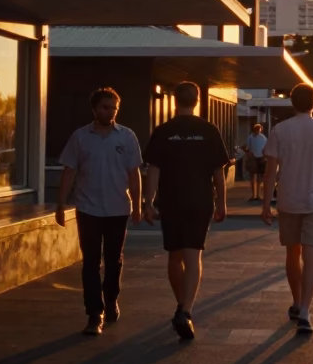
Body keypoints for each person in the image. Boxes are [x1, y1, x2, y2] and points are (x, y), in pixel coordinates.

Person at [142, 82, 231, 340]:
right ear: (197, 101)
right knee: (194, 256)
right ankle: (187, 309)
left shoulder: (163, 131)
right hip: (199, 201)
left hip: (171, 201)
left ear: (174, 100)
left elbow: (154, 169)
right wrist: (222, 202)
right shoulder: (209, 130)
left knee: (174, 256)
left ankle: (181, 304)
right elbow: (218, 172)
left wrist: (148, 202)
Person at [55, 87, 143, 336]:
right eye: (105, 107)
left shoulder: (126, 137)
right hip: (88, 208)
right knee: (91, 262)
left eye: (114, 108)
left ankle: (111, 298)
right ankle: (95, 313)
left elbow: (134, 173)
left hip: (117, 209)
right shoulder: (80, 137)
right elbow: (69, 171)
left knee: (114, 260)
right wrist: (61, 204)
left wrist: (138, 205)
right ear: (94, 109)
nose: (110, 112)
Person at [261, 83, 313, 334]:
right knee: (311, 257)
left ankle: (296, 301)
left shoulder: (280, 130)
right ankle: (306, 310)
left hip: (288, 200)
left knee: (292, 254)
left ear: (292, 102)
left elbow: (270, 170)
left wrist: (266, 204)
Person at [243, 123, 268, 201]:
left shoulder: (263, 137)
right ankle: (254, 194)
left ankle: (257, 194)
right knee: (253, 177)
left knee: (260, 177)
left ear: (260, 130)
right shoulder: (250, 137)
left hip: (260, 158)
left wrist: (264, 156)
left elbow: (266, 147)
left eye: (259, 129)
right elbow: (245, 146)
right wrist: (248, 152)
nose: (258, 131)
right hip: (253, 158)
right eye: (257, 129)